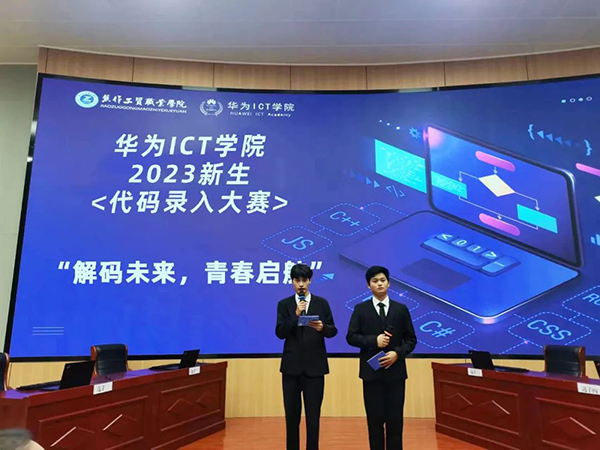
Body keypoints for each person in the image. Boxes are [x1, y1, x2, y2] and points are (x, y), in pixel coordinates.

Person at [346, 265, 417, 450]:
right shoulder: (360, 309)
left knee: (395, 423)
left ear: (389, 283)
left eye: (383, 280)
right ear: (368, 285)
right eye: (375, 281)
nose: (379, 284)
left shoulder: (400, 309)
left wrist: (397, 353)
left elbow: (411, 339)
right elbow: (351, 337)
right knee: (374, 423)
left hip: (396, 375)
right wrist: (374, 341)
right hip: (372, 375)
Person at [276, 263, 337, 450]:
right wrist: (295, 315)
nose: (301, 284)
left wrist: (322, 327)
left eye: (304, 280)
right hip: (291, 369)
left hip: (315, 368)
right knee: (292, 417)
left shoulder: (321, 303)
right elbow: (280, 332)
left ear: (310, 281)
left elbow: (332, 331)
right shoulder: (285, 304)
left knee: (313, 417)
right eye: (297, 280)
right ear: (292, 282)